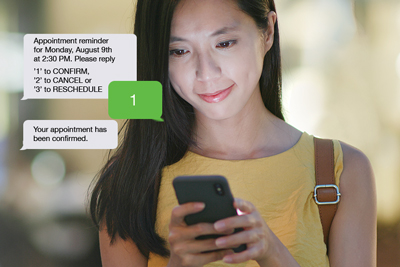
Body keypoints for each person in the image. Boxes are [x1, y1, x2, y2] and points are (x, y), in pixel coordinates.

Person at [90, 0, 377, 266]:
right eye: (178, 51)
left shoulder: (342, 172)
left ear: (268, 32)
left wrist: (273, 254)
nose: (206, 72)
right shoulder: (130, 180)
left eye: (224, 43)